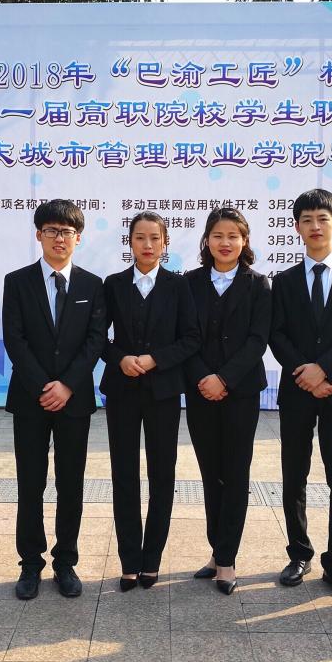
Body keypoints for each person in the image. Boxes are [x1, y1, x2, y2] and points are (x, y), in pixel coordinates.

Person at [268, 188, 332, 599]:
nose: (315, 226)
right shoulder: (284, 280)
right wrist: (306, 373)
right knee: (293, 474)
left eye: (323, 219)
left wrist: (325, 370)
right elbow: (277, 333)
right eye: (307, 220)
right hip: (298, 390)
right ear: (296, 227)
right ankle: (299, 553)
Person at [3, 200, 106, 600]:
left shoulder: (92, 285)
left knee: (71, 483)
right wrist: (44, 385)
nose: (59, 238)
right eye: (51, 231)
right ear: (39, 235)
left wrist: (67, 385)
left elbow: (95, 341)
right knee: (30, 483)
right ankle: (30, 563)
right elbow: (15, 339)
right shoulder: (17, 281)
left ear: (78, 238)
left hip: (74, 401)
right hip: (30, 399)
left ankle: (66, 562)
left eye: (66, 232)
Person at [101, 212, 200, 591]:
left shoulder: (179, 285)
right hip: (122, 391)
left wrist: (156, 359)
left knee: (162, 474)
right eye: (140, 237)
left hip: (163, 392)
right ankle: (129, 561)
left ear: (165, 243)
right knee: (124, 474)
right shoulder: (113, 284)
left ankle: (152, 560)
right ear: (129, 242)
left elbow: (191, 338)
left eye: (154, 238)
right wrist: (120, 358)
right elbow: (98, 337)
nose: (147, 244)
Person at [183, 208, 271, 595]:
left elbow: (257, 340)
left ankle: (227, 559)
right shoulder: (189, 282)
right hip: (200, 390)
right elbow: (184, 336)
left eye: (233, 236)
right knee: (210, 472)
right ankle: (216, 549)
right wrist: (204, 377)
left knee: (235, 473)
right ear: (207, 240)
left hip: (240, 392)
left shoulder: (259, 285)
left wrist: (224, 379)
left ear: (244, 241)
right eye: (218, 235)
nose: (225, 242)